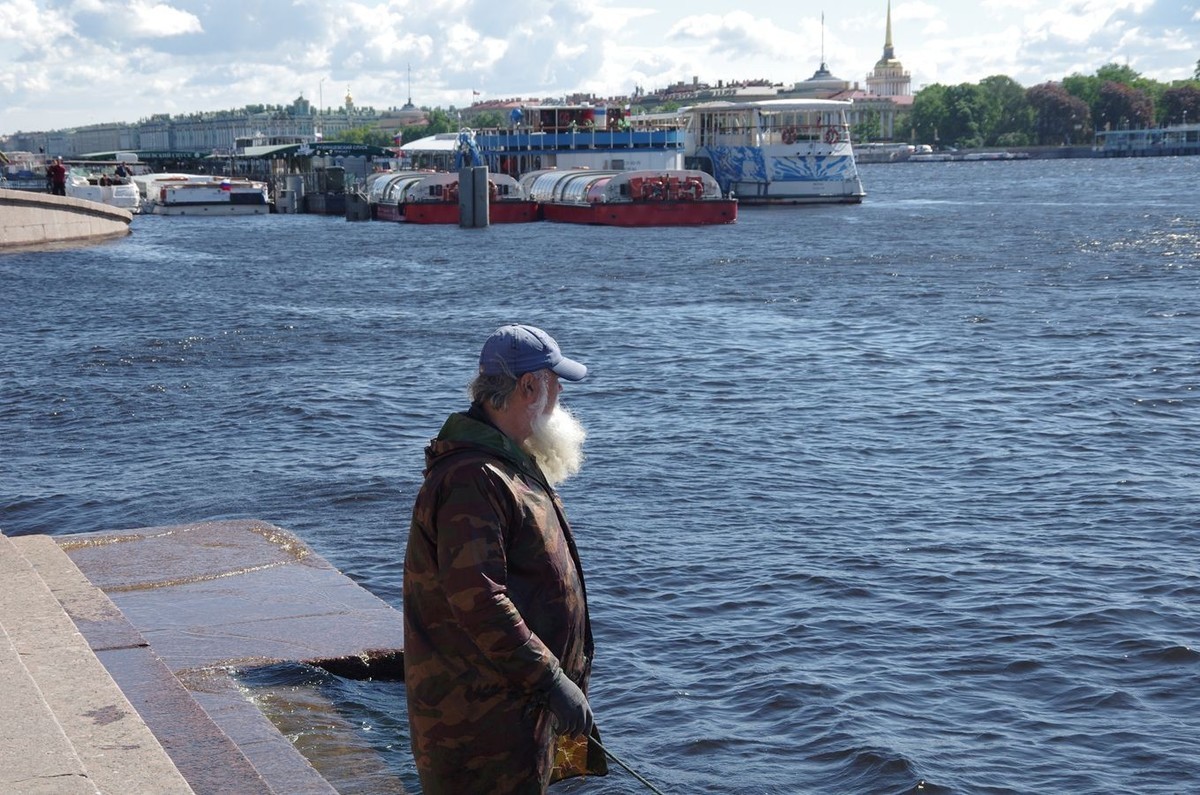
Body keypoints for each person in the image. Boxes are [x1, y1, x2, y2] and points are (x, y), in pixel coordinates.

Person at [403, 324, 607, 794]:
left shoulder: (503, 463)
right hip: (482, 725)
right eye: (555, 386)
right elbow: (480, 600)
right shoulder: (473, 479)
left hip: (514, 711)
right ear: (528, 387)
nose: (559, 399)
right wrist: (552, 680)